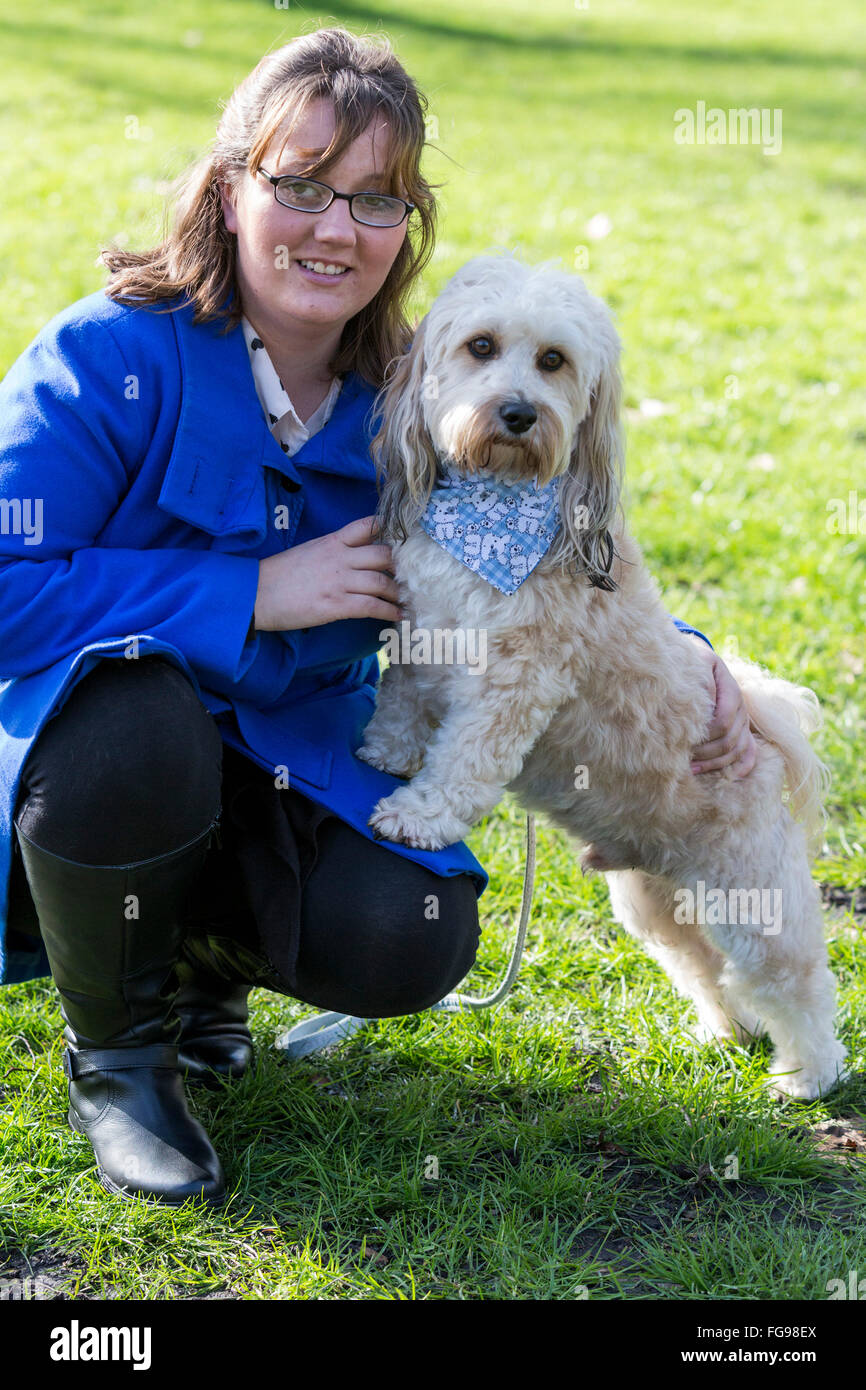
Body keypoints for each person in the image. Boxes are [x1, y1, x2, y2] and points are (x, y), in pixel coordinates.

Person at [0, 26, 757, 1209]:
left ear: (409, 227)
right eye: (298, 183)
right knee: (140, 707)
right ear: (227, 186)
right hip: (93, 772)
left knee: (410, 926)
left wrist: (696, 671)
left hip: (282, 762)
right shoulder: (107, 356)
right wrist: (246, 592)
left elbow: (558, 564)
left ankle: (204, 968)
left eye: (377, 199)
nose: (335, 228)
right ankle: (123, 1063)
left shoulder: (428, 388)